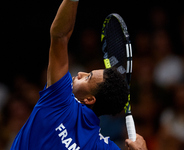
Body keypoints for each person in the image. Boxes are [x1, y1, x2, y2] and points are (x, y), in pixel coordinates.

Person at [11, 0, 148, 149]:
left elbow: (60, 35)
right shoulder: (59, 98)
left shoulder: (61, 99)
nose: (81, 73)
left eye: (88, 77)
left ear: (89, 99)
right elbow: (59, 35)